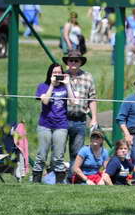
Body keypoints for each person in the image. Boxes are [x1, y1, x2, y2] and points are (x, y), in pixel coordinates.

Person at [32, 63, 77, 184]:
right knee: (42, 155)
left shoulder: (65, 87)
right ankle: (36, 181)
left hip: (61, 125)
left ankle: (59, 183)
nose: (57, 75)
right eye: (54, 73)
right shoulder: (43, 86)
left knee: (59, 156)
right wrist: (52, 85)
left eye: (59, 73)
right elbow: (45, 101)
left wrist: (67, 85)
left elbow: (73, 102)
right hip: (45, 125)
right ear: (50, 74)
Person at [63, 50, 98, 181]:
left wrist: (94, 118)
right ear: (67, 62)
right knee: (59, 151)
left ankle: (72, 178)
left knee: (76, 153)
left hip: (80, 120)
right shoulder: (62, 76)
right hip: (62, 119)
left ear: (80, 62)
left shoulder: (88, 77)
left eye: (76, 60)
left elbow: (92, 99)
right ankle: (58, 177)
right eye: (71, 60)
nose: (73, 63)